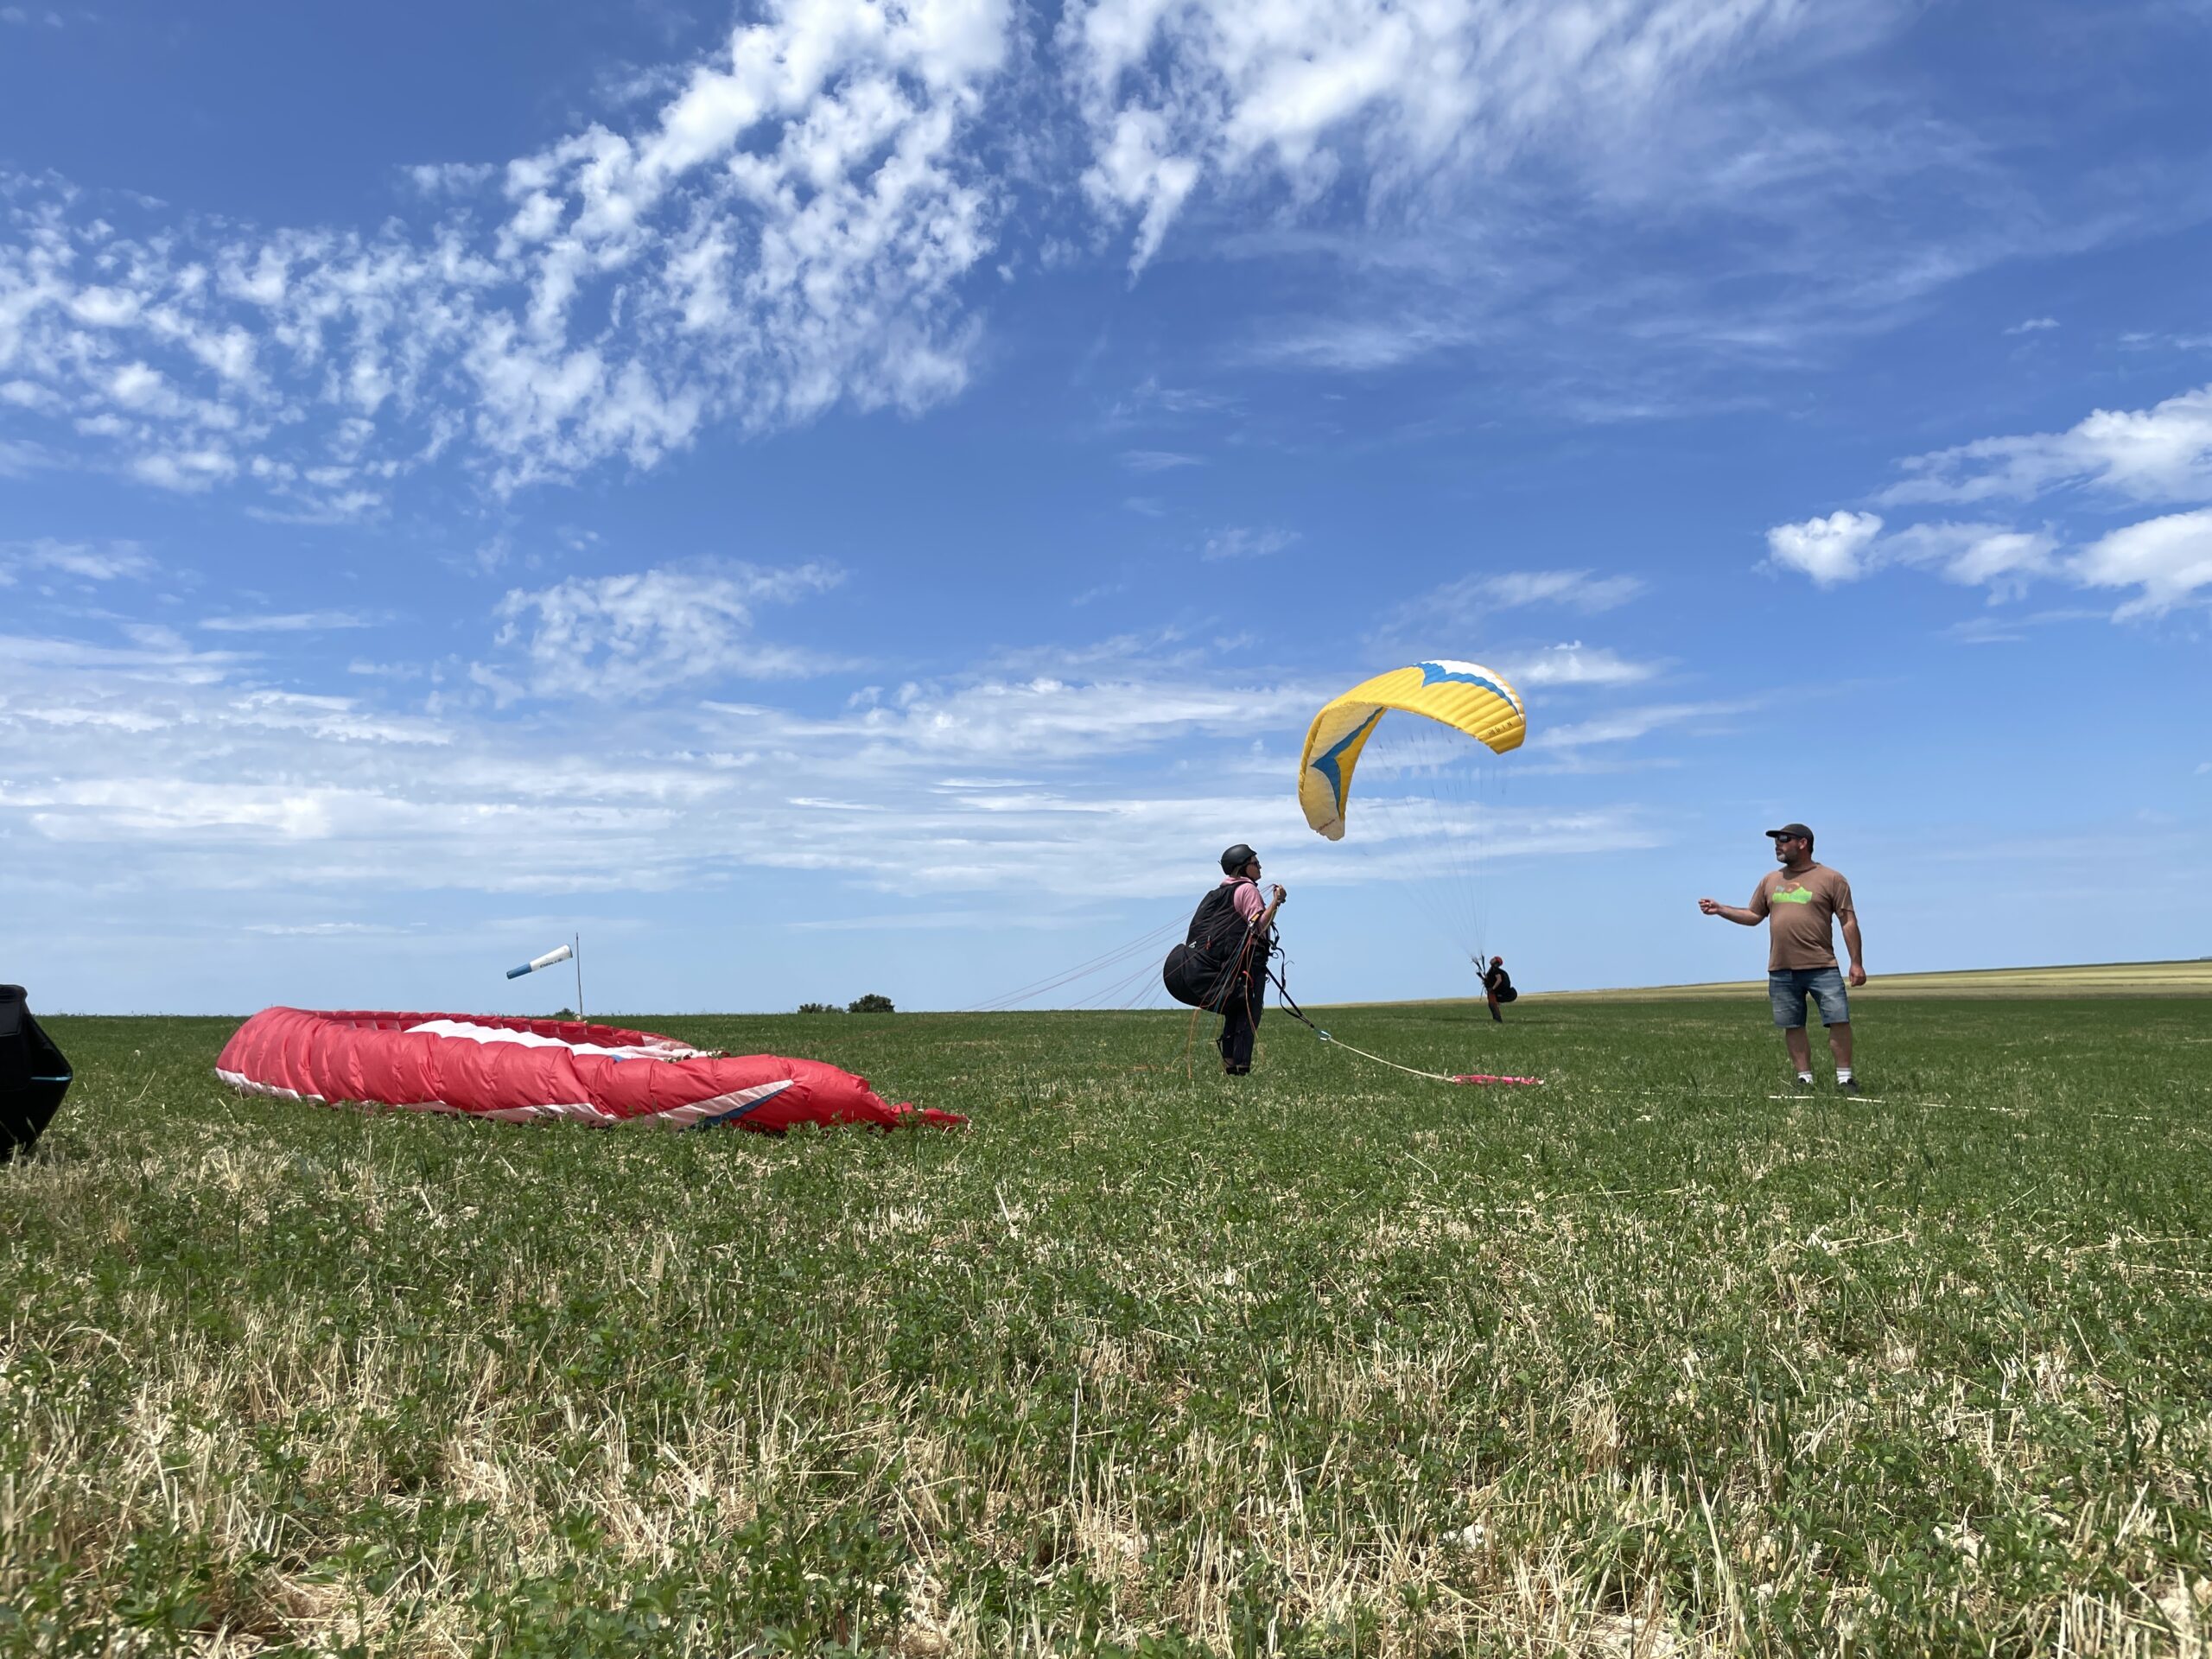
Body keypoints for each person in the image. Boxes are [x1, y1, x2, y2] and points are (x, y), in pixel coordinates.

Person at [1699, 823, 1866, 1093]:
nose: (1778, 844)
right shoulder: (1770, 881)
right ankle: (1804, 1079)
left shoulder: (1832, 878)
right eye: (1776, 841)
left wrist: (1856, 962)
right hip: (1782, 969)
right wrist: (1721, 909)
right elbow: (1754, 916)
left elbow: (1848, 921)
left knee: (1838, 1020)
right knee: (1792, 1024)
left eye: (1784, 839)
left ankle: (1845, 1079)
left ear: (1803, 843)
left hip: (1822, 966)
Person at [1162, 844, 1287, 1074]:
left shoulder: (1218, 893)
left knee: (1235, 1012)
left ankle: (1231, 1068)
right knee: (1248, 1015)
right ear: (1243, 867)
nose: (1259, 867)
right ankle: (1241, 1069)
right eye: (1255, 863)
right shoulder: (1247, 890)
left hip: (1225, 969)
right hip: (1247, 968)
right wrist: (1275, 902)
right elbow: (1259, 925)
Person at [1479, 955, 1516, 1023]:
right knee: (1492, 1004)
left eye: (1494, 959)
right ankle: (1497, 1019)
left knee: (1492, 1004)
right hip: (1500, 992)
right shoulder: (1492, 970)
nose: (1492, 959)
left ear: (1496, 962)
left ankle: (1498, 1019)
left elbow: (1499, 980)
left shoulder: (1495, 970)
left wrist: (1492, 988)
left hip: (1501, 992)